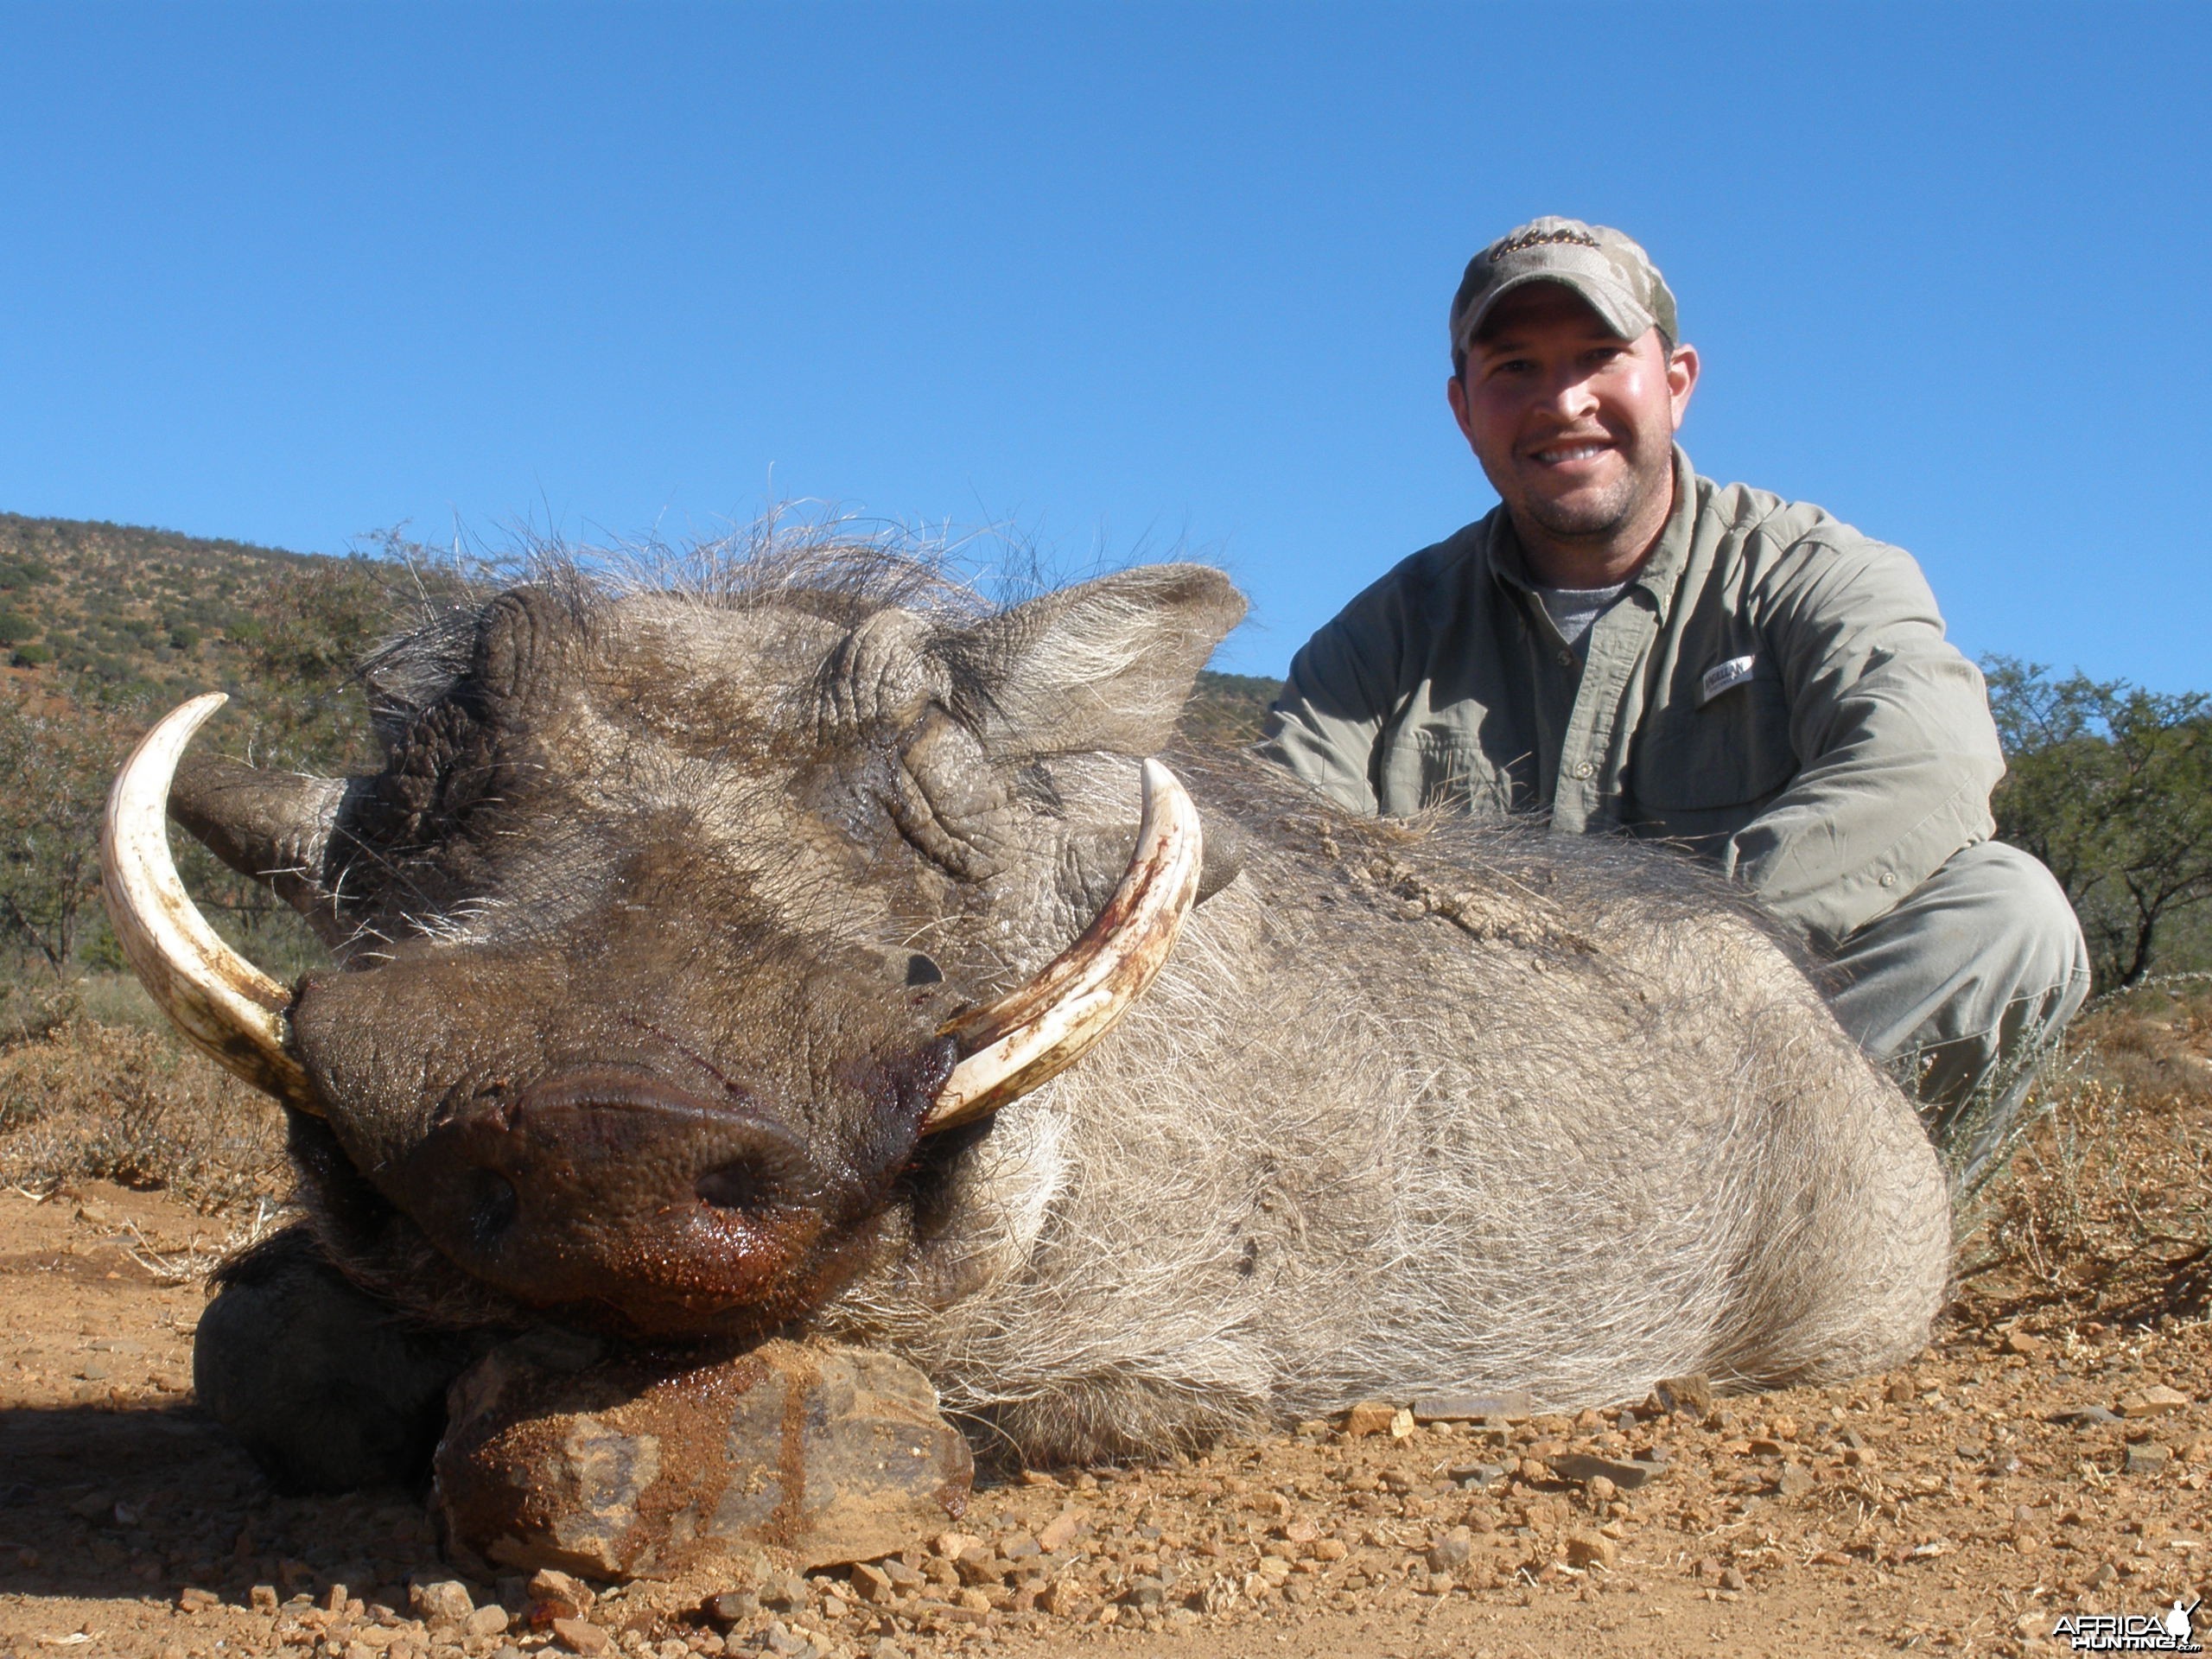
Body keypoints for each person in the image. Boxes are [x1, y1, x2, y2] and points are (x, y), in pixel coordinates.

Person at [1258, 215, 2089, 1185]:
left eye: (1600, 357)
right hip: (1476, 1101)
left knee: (2007, 913)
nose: (1562, 400)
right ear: (1463, 409)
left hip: (1744, 1075)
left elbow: (1929, 765)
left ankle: (1796, 1285)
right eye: (1514, 367)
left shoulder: (1814, 572)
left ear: (1677, 382)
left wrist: (1654, 967)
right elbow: (1280, 871)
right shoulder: (1375, 642)